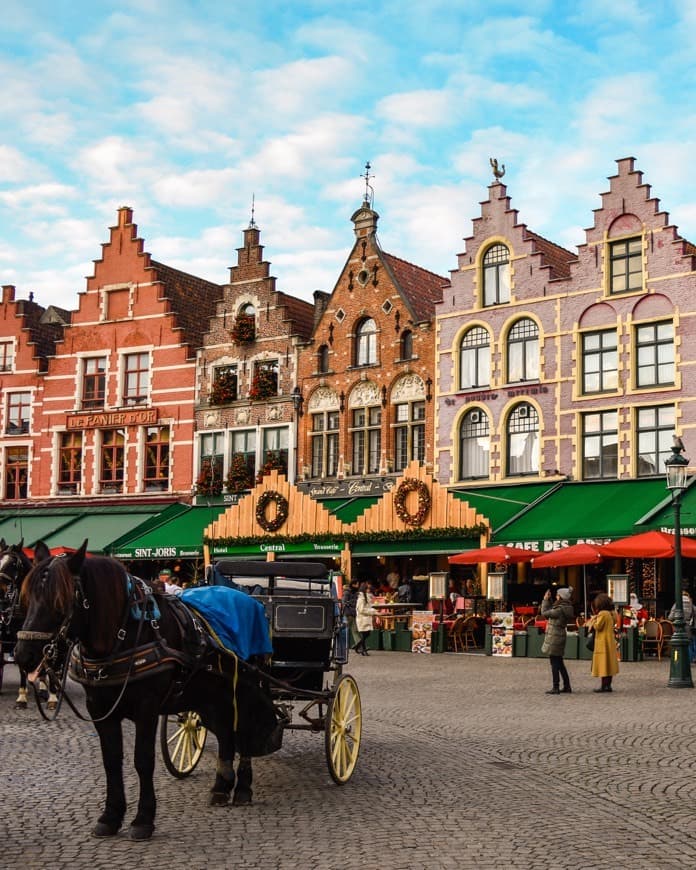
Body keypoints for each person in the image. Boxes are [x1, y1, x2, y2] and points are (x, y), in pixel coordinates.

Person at [540, 586, 574, 695]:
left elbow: (545, 613)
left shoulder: (559, 609)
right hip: (559, 636)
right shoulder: (564, 607)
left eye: (557, 595)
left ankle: (556, 687)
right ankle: (567, 686)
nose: (556, 596)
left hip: (555, 637)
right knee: (559, 662)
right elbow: (551, 611)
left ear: (561, 597)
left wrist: (545, 599)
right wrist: (549, 601)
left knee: (554, 663)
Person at [587, 592, 619, 693]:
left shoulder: (603, 614)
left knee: (603, 665)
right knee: (609, 665)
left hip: (602, 642)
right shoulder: (612, 613)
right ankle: (608, 685)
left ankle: (604, 686)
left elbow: (598, 626)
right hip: (610, 641)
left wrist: (592, 620)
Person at [668, 590, 696, 662]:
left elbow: (670, 617)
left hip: (678, 627)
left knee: (678, 643)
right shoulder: (691, 604)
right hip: (689, 625)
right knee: (689, 642)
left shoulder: (677, 604)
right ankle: (690, 659)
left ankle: (680, 660)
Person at [355, 581, 379, 656]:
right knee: (365, 634)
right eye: (367, 588)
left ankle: (359, 646)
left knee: (366, 633)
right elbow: (361, 609)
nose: (369, 590)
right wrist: (373, 612)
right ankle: (363, 649)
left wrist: (373, 611)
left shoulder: (366, 597)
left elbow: (368, 607)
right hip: (362, 618)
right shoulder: (361, 598)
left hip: (366, 617)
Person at [342, 578, 360, 650]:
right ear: (353, 584)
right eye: (357, 584)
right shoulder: (347, 592)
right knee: (345, 629)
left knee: (354, 629)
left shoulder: (356, 592)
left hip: (353, 613)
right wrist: (352, 604)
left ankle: (359, 644)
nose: (358, 585)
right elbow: (344, 602)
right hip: (348, 613)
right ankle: (341, 644)